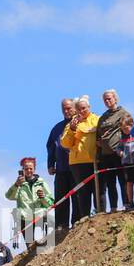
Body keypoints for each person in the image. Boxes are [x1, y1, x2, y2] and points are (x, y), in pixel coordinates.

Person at [60, 96, 99, 224]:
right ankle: (84, 217)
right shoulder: (72, 123)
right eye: (79, 109)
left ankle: (100, 213)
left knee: (98, 188)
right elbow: (65, 143)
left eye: (84, 108)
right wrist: (71, 129)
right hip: (77, 163)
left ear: (89, 108)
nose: (81, 111)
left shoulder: (97, 120)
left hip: (94, 160)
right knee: (83, 191)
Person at [4, 157, 53, 248]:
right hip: (25, 220)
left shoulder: (42, 183)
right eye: (26, 169)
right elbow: (9, 196)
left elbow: (51, 204)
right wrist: (16, 185)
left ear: (34, 169)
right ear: (22, 170)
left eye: (31, 168)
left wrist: (43, 198)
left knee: (41, 244)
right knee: (31, 247)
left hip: (40, 218)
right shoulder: (19, 185)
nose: (29, 171)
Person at [95, 90, 128, 213]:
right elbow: (97, 136)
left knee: (123, 180)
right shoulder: (102, 118)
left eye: (109, 98)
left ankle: (127, 204)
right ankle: (113, 207)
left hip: (119, 153)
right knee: (110, 183)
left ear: (115, 98)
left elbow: (130, 130)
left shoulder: (123, 113)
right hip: (106, 155)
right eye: (105, 100)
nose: (107, 101)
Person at [47, 97, 76, 233]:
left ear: (74, 108)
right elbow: (51, 146)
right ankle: (60, 225)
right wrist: (50, 164)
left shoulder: (81, 123)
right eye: (64, 108)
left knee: (77, 195)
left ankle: (77, 221)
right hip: (61, 167)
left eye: (69, 108)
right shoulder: (57, 128)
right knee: (60, 197)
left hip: (77, 166)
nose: (66, 111)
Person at [117, 114, 134, 212]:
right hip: (127, 164)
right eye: (122, 129)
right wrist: (120, 152)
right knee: (129, 183)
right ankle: (130, 202)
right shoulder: (122, 139)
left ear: (132, 125)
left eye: (126, 128)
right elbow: (118, 148)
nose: (125, 130)